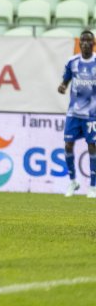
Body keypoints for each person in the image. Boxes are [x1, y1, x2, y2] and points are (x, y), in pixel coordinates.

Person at [58, 30, 96, 198]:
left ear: (93, 44)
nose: (85, 43)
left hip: (92, 114)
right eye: (83, 41)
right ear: (79, 43)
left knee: (92, 147)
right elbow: (65, 81)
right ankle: (73, 181)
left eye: (88, 41)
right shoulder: (72, 62)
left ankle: (93, 186)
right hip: (73, 113)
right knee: (68, 145)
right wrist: (62, 86)